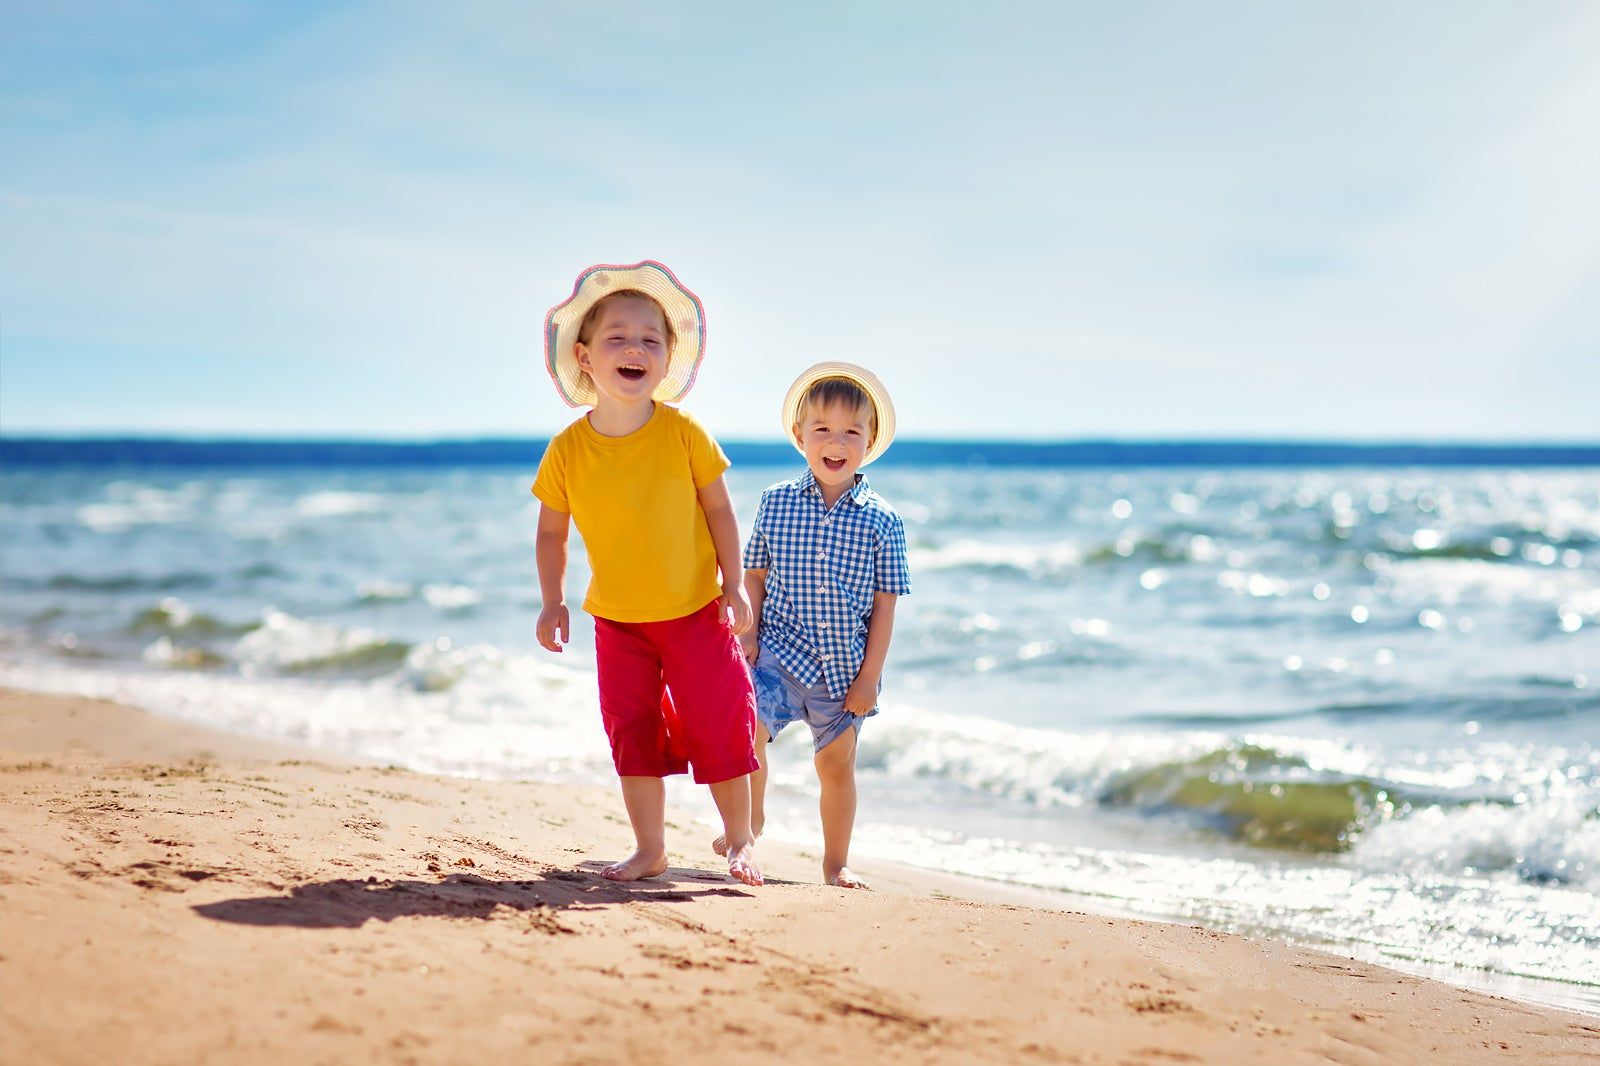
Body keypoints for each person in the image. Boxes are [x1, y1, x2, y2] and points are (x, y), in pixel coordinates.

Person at [532, 261, 762, 887]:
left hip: (695, 608)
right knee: (632, 732)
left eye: (650, 340)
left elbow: (720, 507)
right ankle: (649, 848)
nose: (635, 348)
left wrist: (734, 582)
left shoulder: (683, 432)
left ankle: (740, 841)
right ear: (584, 357)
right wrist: (553, 601)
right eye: (617, 338)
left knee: (719, 721)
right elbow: (552, 531)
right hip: (618, 619)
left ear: (666, 360)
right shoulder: (567, 450)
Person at [719, 362, 911, 889]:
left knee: (835, 768)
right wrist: (749, 634)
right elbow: (753, 574)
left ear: (869, 443)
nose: (836, 441)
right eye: (822, 428)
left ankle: (835, 864)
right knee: (747, 726)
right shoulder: (775, 502)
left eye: (852, 431)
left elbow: (885, 605)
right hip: (779, 649)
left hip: (843, 669)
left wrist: (869, 676)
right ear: (800, 434)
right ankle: (749, 825)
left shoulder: (883, 519)